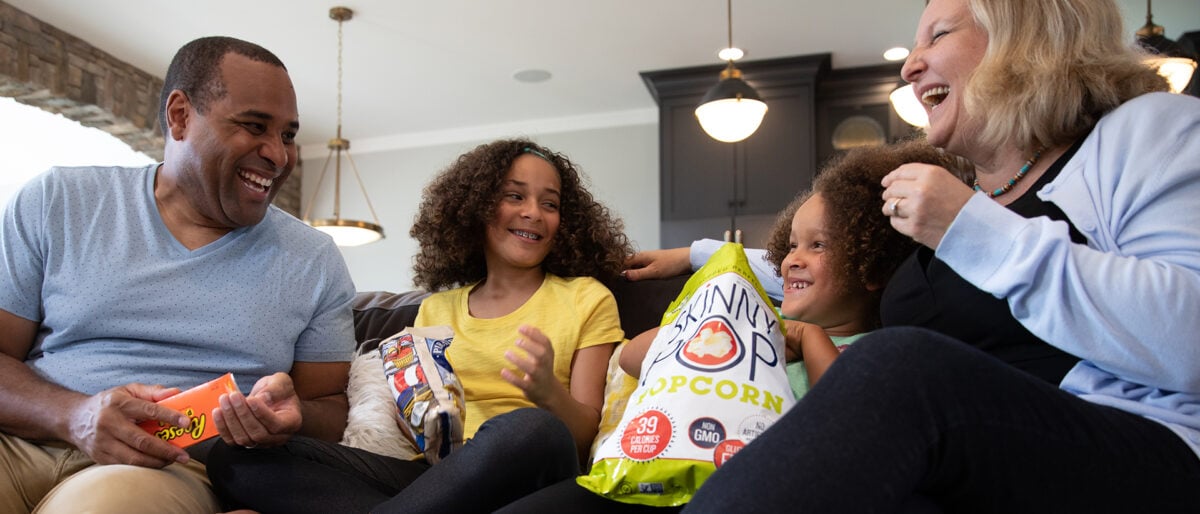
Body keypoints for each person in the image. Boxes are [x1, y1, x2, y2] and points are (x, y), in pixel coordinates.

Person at [682, 0, 1200, 511]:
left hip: (1147, 446)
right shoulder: (963, 196)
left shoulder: (1149, 128)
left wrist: (971, 229)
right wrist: (697, 254)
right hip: (967, 462)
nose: (909, 65)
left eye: (938, 36)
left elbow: (1189, 338)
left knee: (893, 363)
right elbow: (830, 267)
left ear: (1024, 37)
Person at [497, 139, 965, 513]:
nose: (791, 261)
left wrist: (810, 337)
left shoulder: (870, 350)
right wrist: (709, 324)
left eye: (818, 246)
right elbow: (633, 357)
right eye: (791, 247)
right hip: (662, 466)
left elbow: (842, 419)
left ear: (873, 267)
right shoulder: (759, 323)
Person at [0, 36, 356, 514]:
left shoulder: (314, 260)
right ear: (180, 116)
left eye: (288, 135)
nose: (278, 154)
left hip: (162, 469)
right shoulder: (57, 201)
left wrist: (294, 417)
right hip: (21, 443)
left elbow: (331, 407)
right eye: (254, 126)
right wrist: (74, 416)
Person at [207, 139, 635, 513]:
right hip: (437, 478)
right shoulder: (436, 310)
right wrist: (418, 418)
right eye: (515, 196)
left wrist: (547, 393)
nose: (533, 213)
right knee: (235, 457)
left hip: (532, 470)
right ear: (478, 207)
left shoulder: (586, 297)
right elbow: (417, 424)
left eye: (550, 203)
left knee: (529, 428)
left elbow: (582, 439)